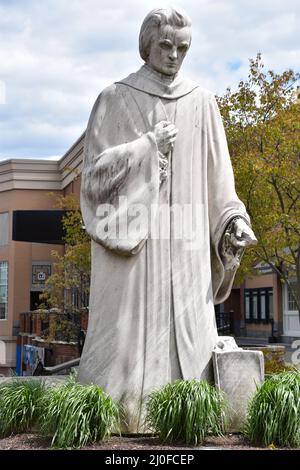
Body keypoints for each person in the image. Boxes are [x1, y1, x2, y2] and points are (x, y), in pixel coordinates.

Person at [78, 7, 257, 432]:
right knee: (124, 340)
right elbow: (93, 181)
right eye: (166, 46)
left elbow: (221, 182)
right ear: (146, 45)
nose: (175, 55)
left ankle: (187, 416)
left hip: (189, 248)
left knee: (190, 342)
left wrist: (232, 220)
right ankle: (121, 414)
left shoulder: (204, 103)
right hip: (135, 254)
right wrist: (146, 147)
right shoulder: (114, 98)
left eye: (183, 48)